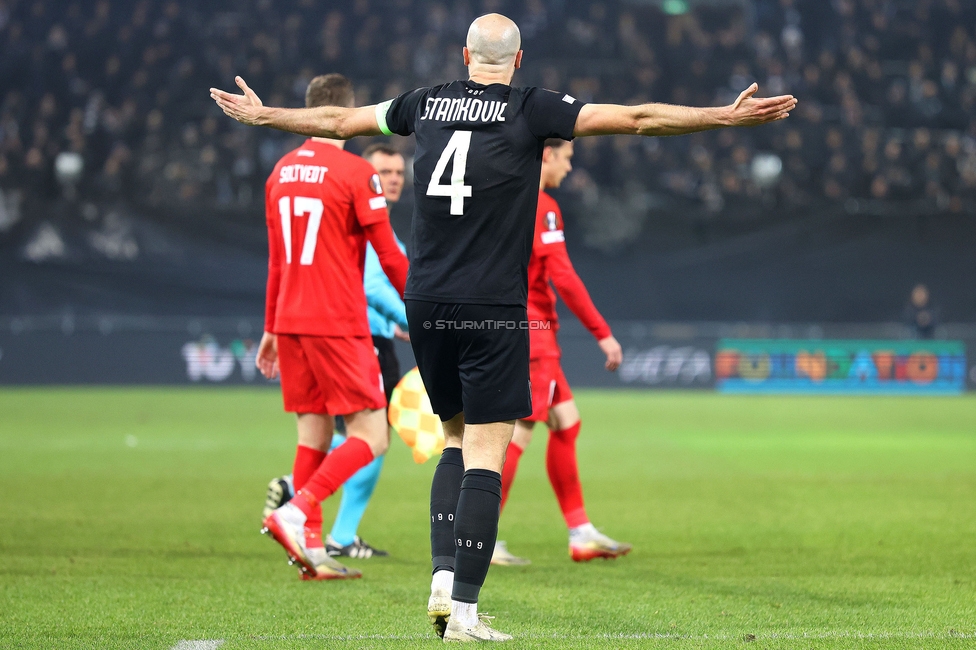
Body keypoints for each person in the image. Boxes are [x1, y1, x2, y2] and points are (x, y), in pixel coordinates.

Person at [211, 12, 796, 641]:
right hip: (491, 304)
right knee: (488, 455)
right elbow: (636, 117)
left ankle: (440, 582)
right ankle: (462, 609)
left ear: (464, 55)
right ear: (518, 62)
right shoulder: (534, 109)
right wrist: (723, 116)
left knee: (454, 443)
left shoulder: (422, 103)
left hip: (426, 301)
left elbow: (334, 122)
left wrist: (264, 115)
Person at [254, 73, 409, 581]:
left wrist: (271, 329)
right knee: (374, 435)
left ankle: (313, 550)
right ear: (347, 112)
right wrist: (426, 307)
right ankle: (297, 512)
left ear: (307, 110)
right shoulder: (352, 172)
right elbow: (388, 255)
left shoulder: (279, 173)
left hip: (292, 320)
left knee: (313, 435)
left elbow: (278, 261)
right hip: (338, 322)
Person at [490, 138, 629, 568]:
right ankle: (483, 538)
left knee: (567, 422)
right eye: (566, 158)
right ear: (546, 155)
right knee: (517, 434)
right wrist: (602, 333)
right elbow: (563, 276)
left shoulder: (500, 197)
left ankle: (581, 531)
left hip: (510, 327)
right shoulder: (541, 205)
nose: (569, 168)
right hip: (533, 336)